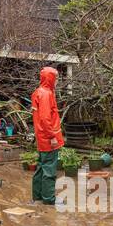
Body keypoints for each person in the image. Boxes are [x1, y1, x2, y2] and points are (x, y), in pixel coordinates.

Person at [31, 65, 64, 204]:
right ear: (50, 78)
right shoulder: (46, 94)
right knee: (49, 169)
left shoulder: (38, 92)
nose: (56, 81)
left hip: (41, 137)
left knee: (41, 167)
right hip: (48, 138)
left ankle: (38, 196)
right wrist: (52, 137)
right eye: (55, 78)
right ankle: (49, 199)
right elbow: (45, 118)